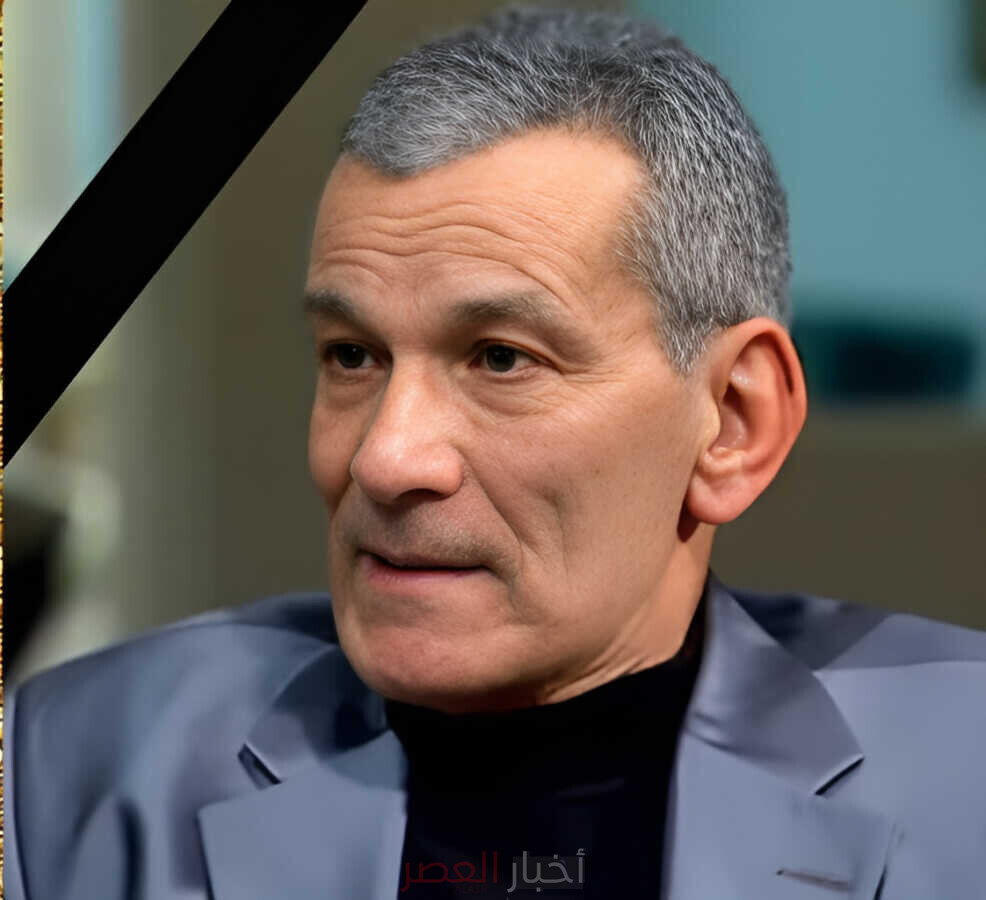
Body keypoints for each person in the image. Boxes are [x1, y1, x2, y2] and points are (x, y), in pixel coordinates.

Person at [5, 7, 985, 899]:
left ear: (731, 422)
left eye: (500, 359)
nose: (386, 459)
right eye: (352, 355)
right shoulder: (73, 765)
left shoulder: (963, 778)